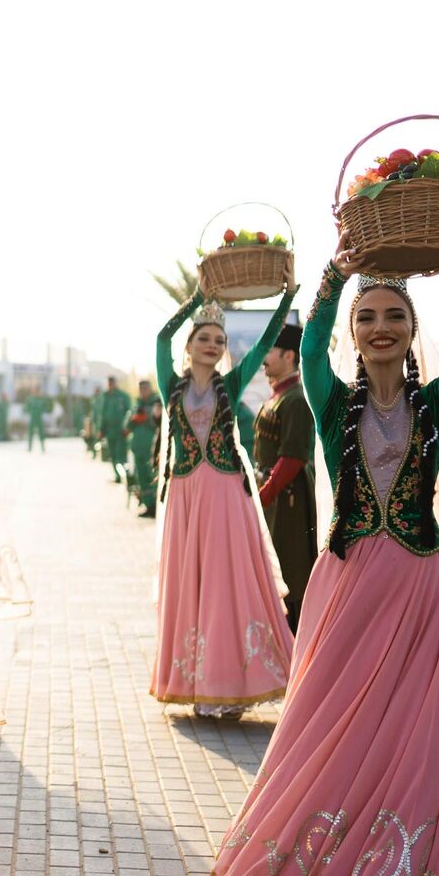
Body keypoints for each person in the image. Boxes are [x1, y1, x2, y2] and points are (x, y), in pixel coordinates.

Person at [213, 242, 439, 876]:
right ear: (354, 332)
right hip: (348, 592)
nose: (380, 328)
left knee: (418, 742)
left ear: (411, 331)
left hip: (418, 592)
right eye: (368, 317)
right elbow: (309, 346)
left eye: (394, 317)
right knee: (331, 731)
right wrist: (331, 278)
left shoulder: (438, 403)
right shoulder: (331, 402)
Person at [151, 289, 296, 718]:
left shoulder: (230, 384)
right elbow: (161, 338)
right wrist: (197, 300)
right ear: (190, 346)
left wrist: (287, 298)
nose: (212, 345)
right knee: (191, 585)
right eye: (204, 338)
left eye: (219, 340)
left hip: (226, 495)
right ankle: (199, 685)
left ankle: (236, 682)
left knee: (226, 584)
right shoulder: (170, 385)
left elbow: (269, 338)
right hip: (186, 498)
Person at [253, 323, 316, 629]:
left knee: (290, 569)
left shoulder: (296, 400)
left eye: (270, 351)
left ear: (289, 355)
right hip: (274, 497)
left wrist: (263, 495)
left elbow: (292, 459)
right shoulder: (278, 396)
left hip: (287, 499)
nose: (264, 358)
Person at [128, 379, 161, 519]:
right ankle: (149, 506)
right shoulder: (136, 405)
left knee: (153, 477)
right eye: (141, 389)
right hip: (138, 449)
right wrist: (134, 419)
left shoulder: (157, 402)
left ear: (150, 388)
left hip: (152, 448)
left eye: (145, 388)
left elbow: (159, 421)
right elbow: (127, 425)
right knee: (142, 479)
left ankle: (158, 507)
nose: (143, 391)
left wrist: (146, 418)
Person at [99, 376, 131, 483]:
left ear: (115, 383)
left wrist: (127, 427)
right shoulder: (105, 397)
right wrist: (101, 430)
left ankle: (126, 477)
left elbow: (129, 412)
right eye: (108, 384)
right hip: (110, 431)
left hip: (121, 431)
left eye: (111, 384)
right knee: (112, 455)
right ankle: (117, 476)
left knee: (121, 454)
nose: (110, 386)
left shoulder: (123, 396)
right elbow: (103, 415)